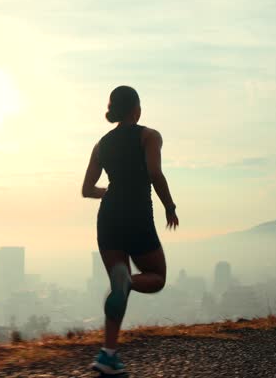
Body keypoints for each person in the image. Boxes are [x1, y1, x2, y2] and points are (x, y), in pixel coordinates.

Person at [81, 85, 179, 375]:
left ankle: (107, 355)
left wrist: (109, 193)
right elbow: (154, 173)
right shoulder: (149, 136)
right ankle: (129, 283)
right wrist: (170, 206)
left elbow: (87, 190)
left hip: (108, 216)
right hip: (137, 214)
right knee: (157, 277)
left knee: (117, 287)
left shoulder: (101, 145)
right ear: (137, 109)